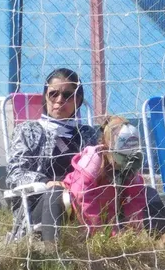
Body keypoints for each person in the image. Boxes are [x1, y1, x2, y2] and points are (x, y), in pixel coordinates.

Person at [5, 68, 99, 240]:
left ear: (78, 100)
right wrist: (46, 182)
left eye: (67, 95)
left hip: (83, 204)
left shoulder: (88, 134)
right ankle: (52, 256)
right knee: (57, 192)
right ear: (45, 97)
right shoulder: (28, 130)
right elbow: (15, 173)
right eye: (53, 94)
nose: (59, 100)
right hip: (39, 206)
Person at [58, 117, 165, 243]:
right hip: (79, 210)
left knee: (148, 192)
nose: (125, 164)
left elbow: (135, 198)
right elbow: (83, 199)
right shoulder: (94, 161)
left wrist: (133, 231)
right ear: (108, 148)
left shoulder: (129, 164)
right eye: (122, 158)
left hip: (112, 205)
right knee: (63, 198)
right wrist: (106, 233)